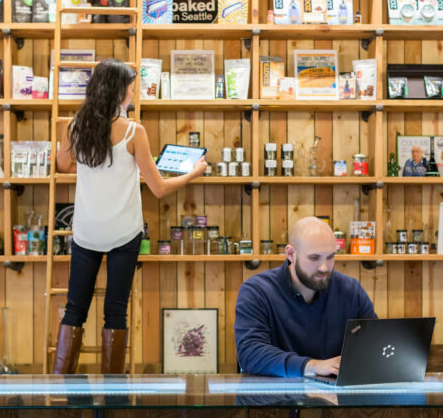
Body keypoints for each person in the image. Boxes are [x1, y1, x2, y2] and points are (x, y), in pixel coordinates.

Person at [54, 59, 207, 374]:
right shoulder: (134, 131)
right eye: (131, 88)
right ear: (119, 92)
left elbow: (64, 166)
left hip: (85, 231)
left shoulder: (75, 126)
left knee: (74, 309)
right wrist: (194, 172)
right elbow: (160, 188)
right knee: (115, 312)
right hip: (124, 232)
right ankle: (112, 396)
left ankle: (58, 391)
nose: (134, 93)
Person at [234, 217, 376, 378]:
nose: (324, 267)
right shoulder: (257, 291)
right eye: (314, 258)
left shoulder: (350, 291)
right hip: (274, 399)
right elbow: (250, 354)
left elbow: (376, 344)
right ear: (290, 254)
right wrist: (313, 366)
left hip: (337, 400)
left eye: (330, 257)